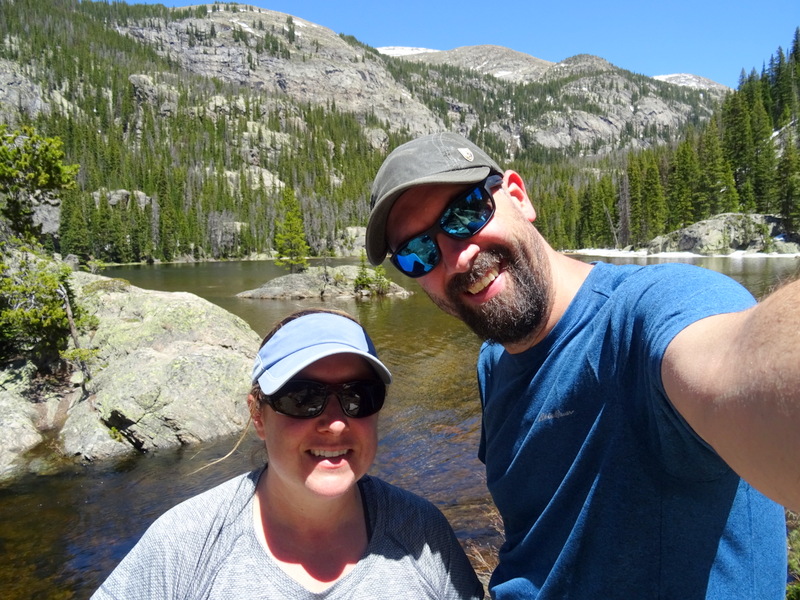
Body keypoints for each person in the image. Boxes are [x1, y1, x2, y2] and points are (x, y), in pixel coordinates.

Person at [365, 131, 800, 599]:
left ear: (517, 195)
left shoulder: (655, 312)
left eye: (466, 213)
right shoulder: (493, 361)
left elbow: (745, 361)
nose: (456, 257)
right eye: (417, 253)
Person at [92, 308, 484, 599]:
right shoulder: (184, 544)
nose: (334, 423)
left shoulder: (421, 531)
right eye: (303, 398)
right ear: (257, 415)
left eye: (358, 396)